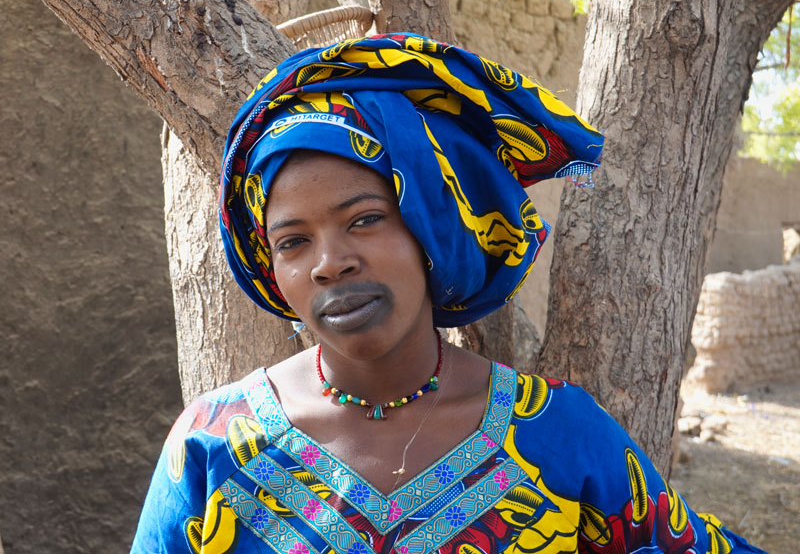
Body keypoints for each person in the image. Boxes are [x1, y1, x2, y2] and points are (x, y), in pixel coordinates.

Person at [132, 33, 764, 554]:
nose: (330, 263)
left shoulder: (561, 438)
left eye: (365, 220)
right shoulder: (213, 449)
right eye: (293, 242)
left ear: (433, 229)